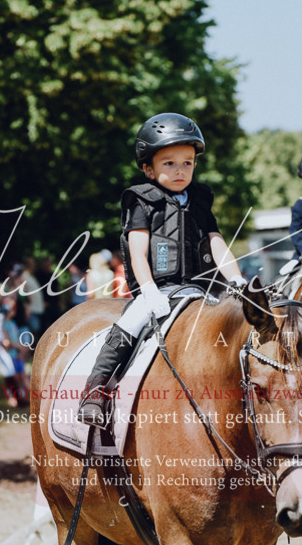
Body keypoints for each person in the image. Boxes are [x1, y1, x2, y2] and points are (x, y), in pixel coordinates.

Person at [77, 111, 245, 427]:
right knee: (131, 322)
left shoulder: (200, 198)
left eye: (188, 162)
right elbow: (138, 252)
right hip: (159, 290)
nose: (180, 170)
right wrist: (150, 290)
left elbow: (216, 243)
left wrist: (236, 278)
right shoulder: (140, 200)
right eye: (169, 163)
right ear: (148, 168)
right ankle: (95, 392)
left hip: (201, 288)